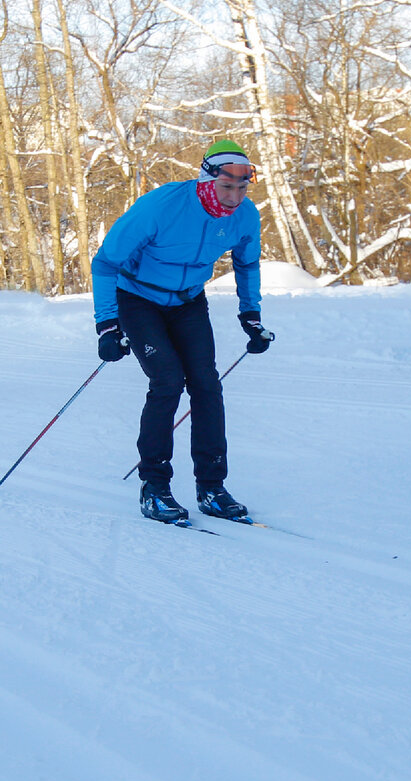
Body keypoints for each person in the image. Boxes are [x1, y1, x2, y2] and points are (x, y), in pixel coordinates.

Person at [91, 139, 275, 524]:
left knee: (207, 385)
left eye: (243, 188)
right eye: (227, 187)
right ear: (207, 179)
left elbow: (248, 264)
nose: (234, 197)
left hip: (189, 301)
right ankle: (154, 487)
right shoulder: (162, 206)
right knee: (168, 381)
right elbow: (106, 263)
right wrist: (107, 325)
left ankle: (211, 487)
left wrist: (251, 314)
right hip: (138, 299)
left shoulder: (245, 216)